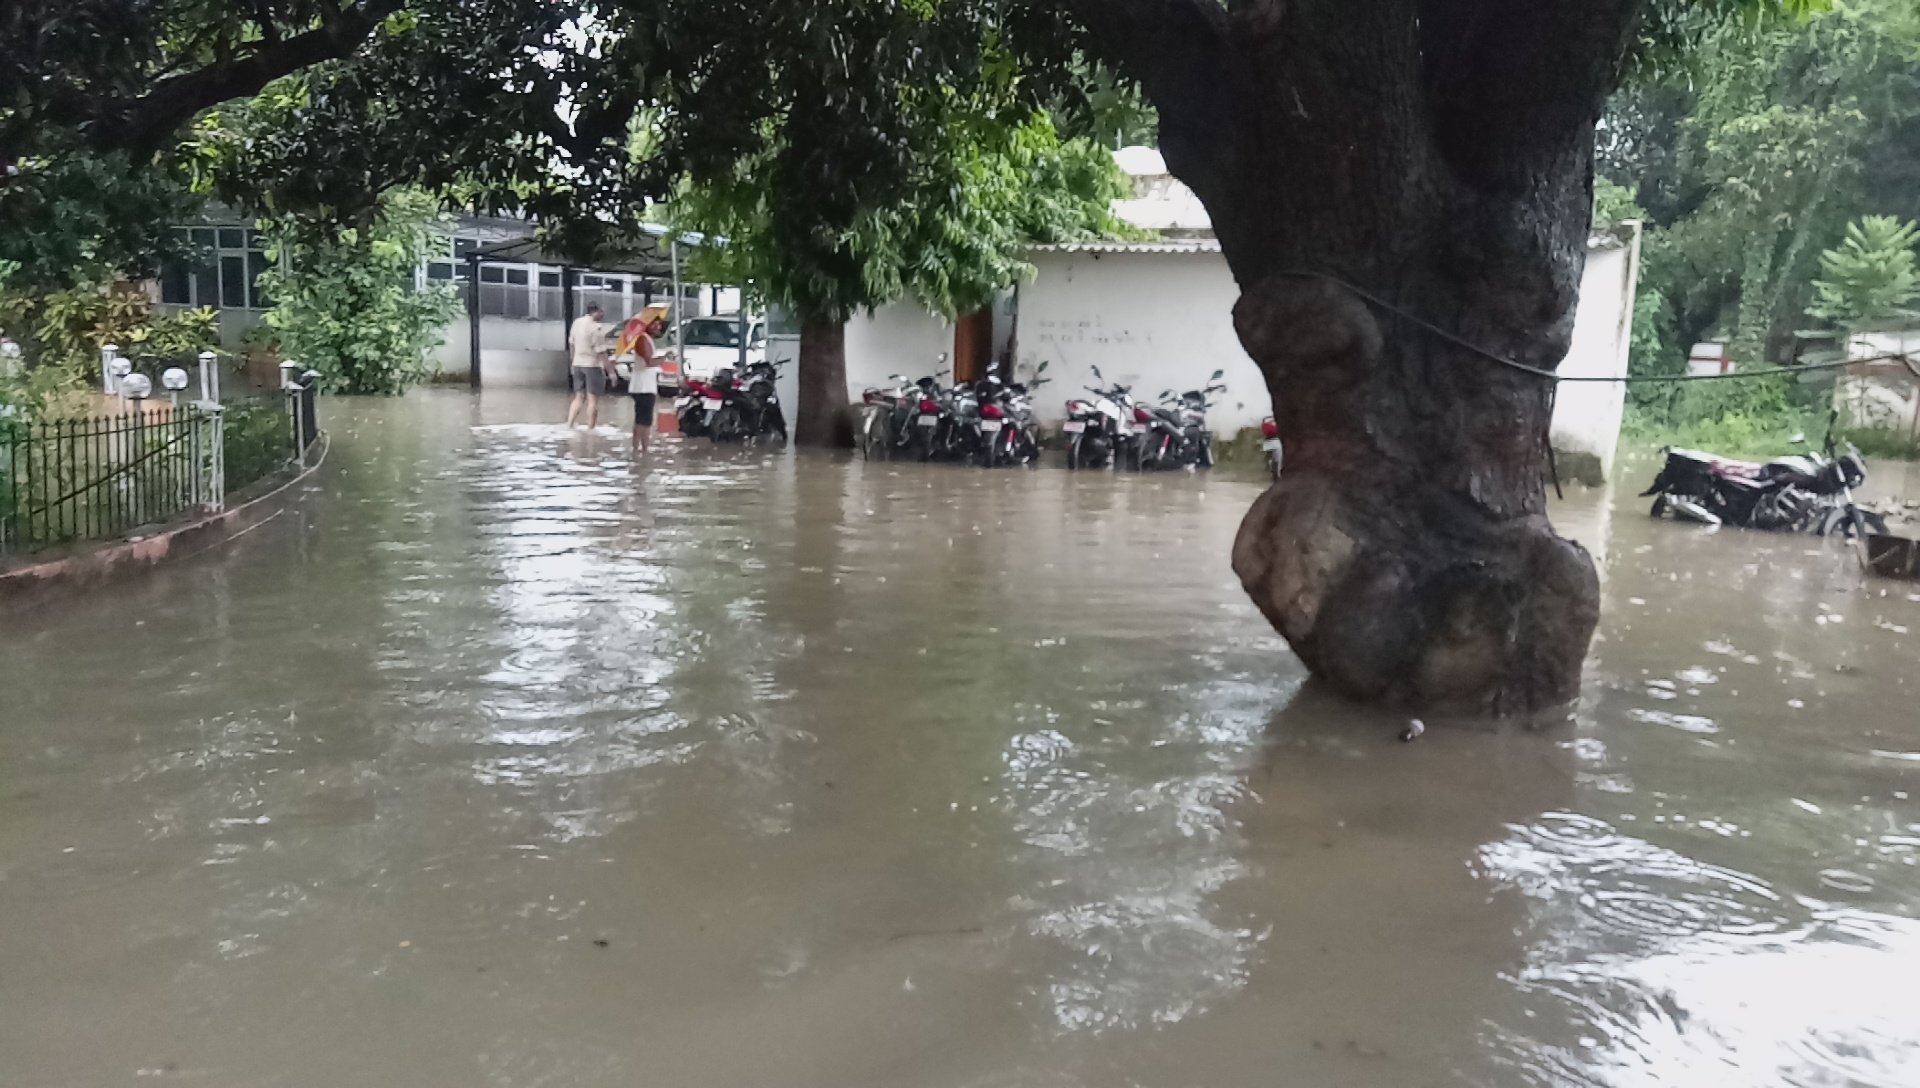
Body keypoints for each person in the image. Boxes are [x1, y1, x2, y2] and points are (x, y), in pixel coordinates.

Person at [566, 304, 613, 428]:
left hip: (577, 364)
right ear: (594, 312)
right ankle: (591, 428)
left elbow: (571, 343)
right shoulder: (595, 328)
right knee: (592, 400)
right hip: (592, 365)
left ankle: (569, 424)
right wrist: (611, 372)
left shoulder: (577, 323)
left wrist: (572, 362)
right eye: (601, 312)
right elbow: (601, 352)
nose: (603, 315)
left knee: (578, 397)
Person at [626, 316, 667, 454]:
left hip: (643, 385)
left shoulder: (645, 339)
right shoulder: (643, 339)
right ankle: (642, 449)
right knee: (645, 420)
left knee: (641, 419)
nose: (658, 327)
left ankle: (638, 449)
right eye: (654, 324)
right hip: (643, 386)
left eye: (659, 324)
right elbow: (649, 362)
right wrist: (664, 359)